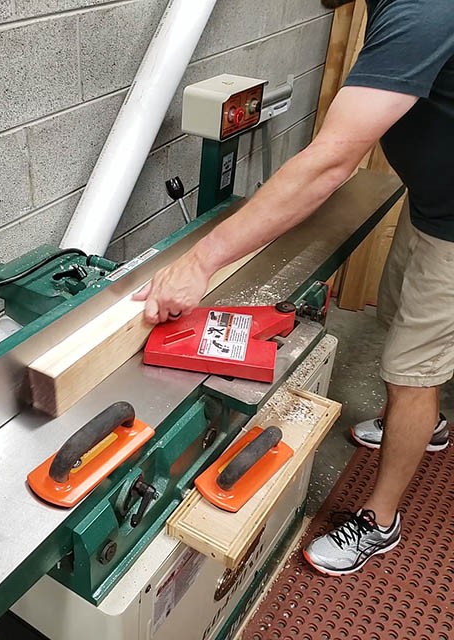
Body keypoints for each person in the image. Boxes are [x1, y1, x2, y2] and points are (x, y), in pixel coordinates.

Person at [134, 0, 454, 576]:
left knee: (411, 372)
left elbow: (333, 161)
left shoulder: (422, 11)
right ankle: (422, 426)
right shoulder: (399, 10)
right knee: (399, 318)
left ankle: (381, 522)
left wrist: (202, 260)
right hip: (434, 204)